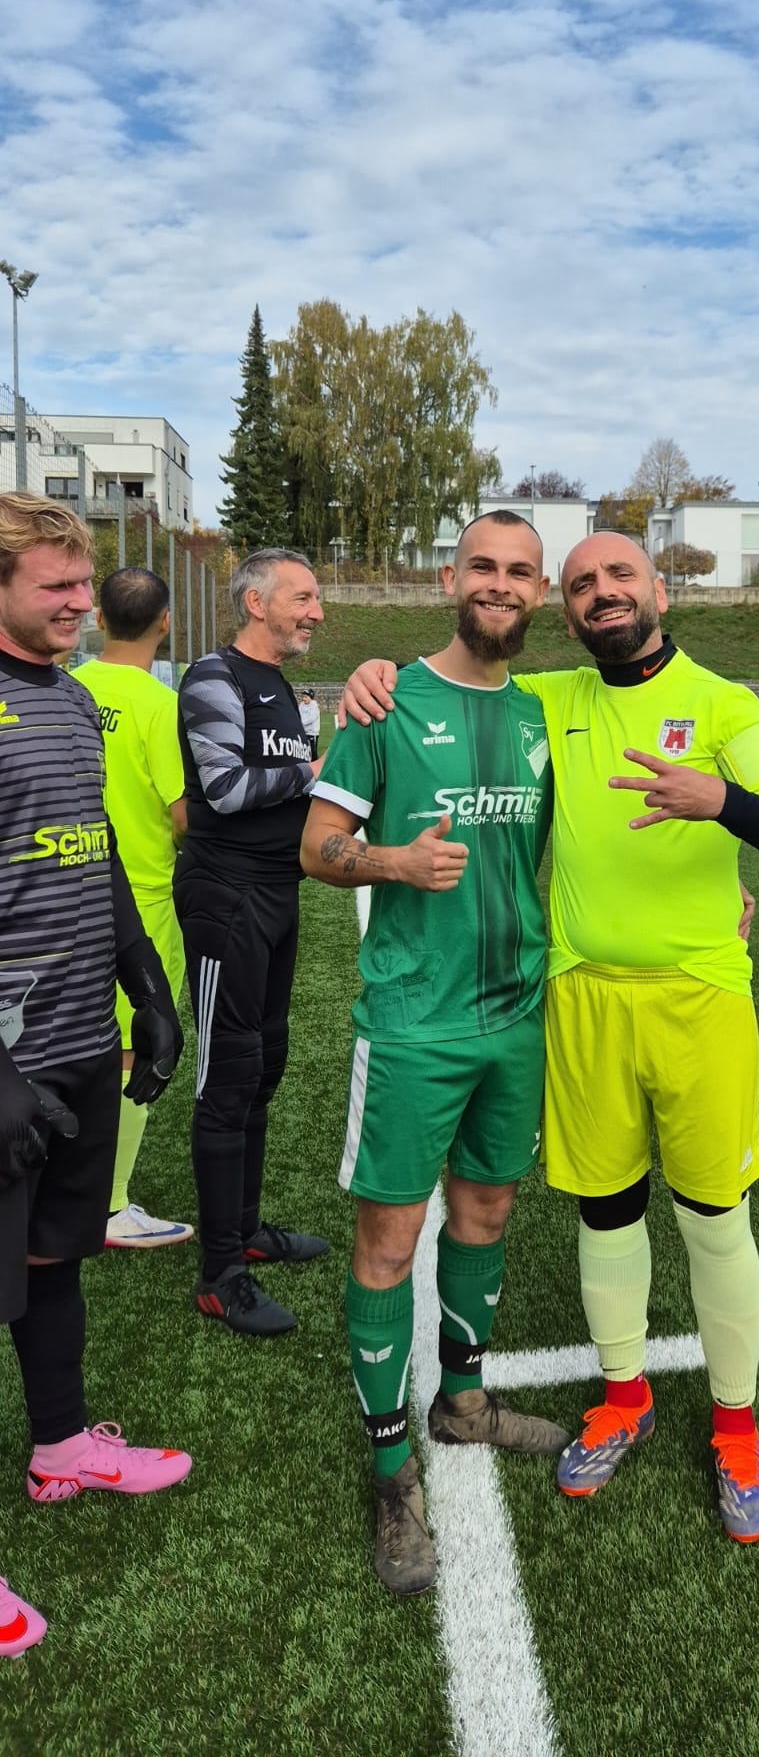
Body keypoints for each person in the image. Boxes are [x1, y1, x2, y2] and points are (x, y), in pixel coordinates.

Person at [342, 531, 759, 1545]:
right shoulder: (548, 701)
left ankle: (736, 1427)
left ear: (661, 592)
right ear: (563, 614)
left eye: (619, 576)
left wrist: (721, 801)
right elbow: (460, 678)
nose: (601, 592)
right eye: (580, 584)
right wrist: (372, 669)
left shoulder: (724, 703)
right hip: (578, 1000)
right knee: (605, 1211)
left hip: (699, 1000)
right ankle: (622, 1397)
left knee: (713, 1217)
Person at [301, 510, 569, 1596]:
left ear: (539, 592)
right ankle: (389, 1471)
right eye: (483, 567)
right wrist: (393, 862)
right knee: (388, 1238)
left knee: (487, 1211)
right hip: (413, 1021)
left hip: (515, 1016)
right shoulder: (384, 700)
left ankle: (461, 1402)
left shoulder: (549, 712)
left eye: (520, 571)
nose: (499, 584)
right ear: (449, 578)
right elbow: (315, 847)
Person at [0, 493, 192, 1655]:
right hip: (6, 1067)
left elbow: (99, 853)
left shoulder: (75, 699)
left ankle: (63, 1443)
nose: (83, 601)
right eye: (57, 585)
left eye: (86, 582)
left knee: (52, 1259)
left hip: (76, 1043)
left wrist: (147, 987)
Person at [176, 548, 328, 1336]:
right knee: (228, 1077)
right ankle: (219, 1274)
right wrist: (315, 770)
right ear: (257, 602)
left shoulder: (281, 687)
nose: (317, 612)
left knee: (263, 1068)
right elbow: (228, 789)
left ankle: (243, 1231)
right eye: (303, 597)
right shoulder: (214, 676)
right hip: (226, 900)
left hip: (277, 894)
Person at [74, 567, 193, 1248]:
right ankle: (110, 1205)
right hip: (139, 902)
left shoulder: (68, 685)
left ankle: (58, 1186)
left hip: (63, 890)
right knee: (132, 1051)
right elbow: (182, 817)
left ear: (98, 618)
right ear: (164, 623)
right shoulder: (160, 704)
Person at [297, 689, 321, 761]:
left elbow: (311, 718)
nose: (304, 699)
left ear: (311, 697)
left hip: (312, 733)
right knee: (304, 750)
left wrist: (301, 723)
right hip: (303, 732)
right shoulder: (301, 705)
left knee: (313, 751)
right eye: (303, 697)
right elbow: (298, 715)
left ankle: (315, 764)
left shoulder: (314, 706)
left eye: (306, 697)